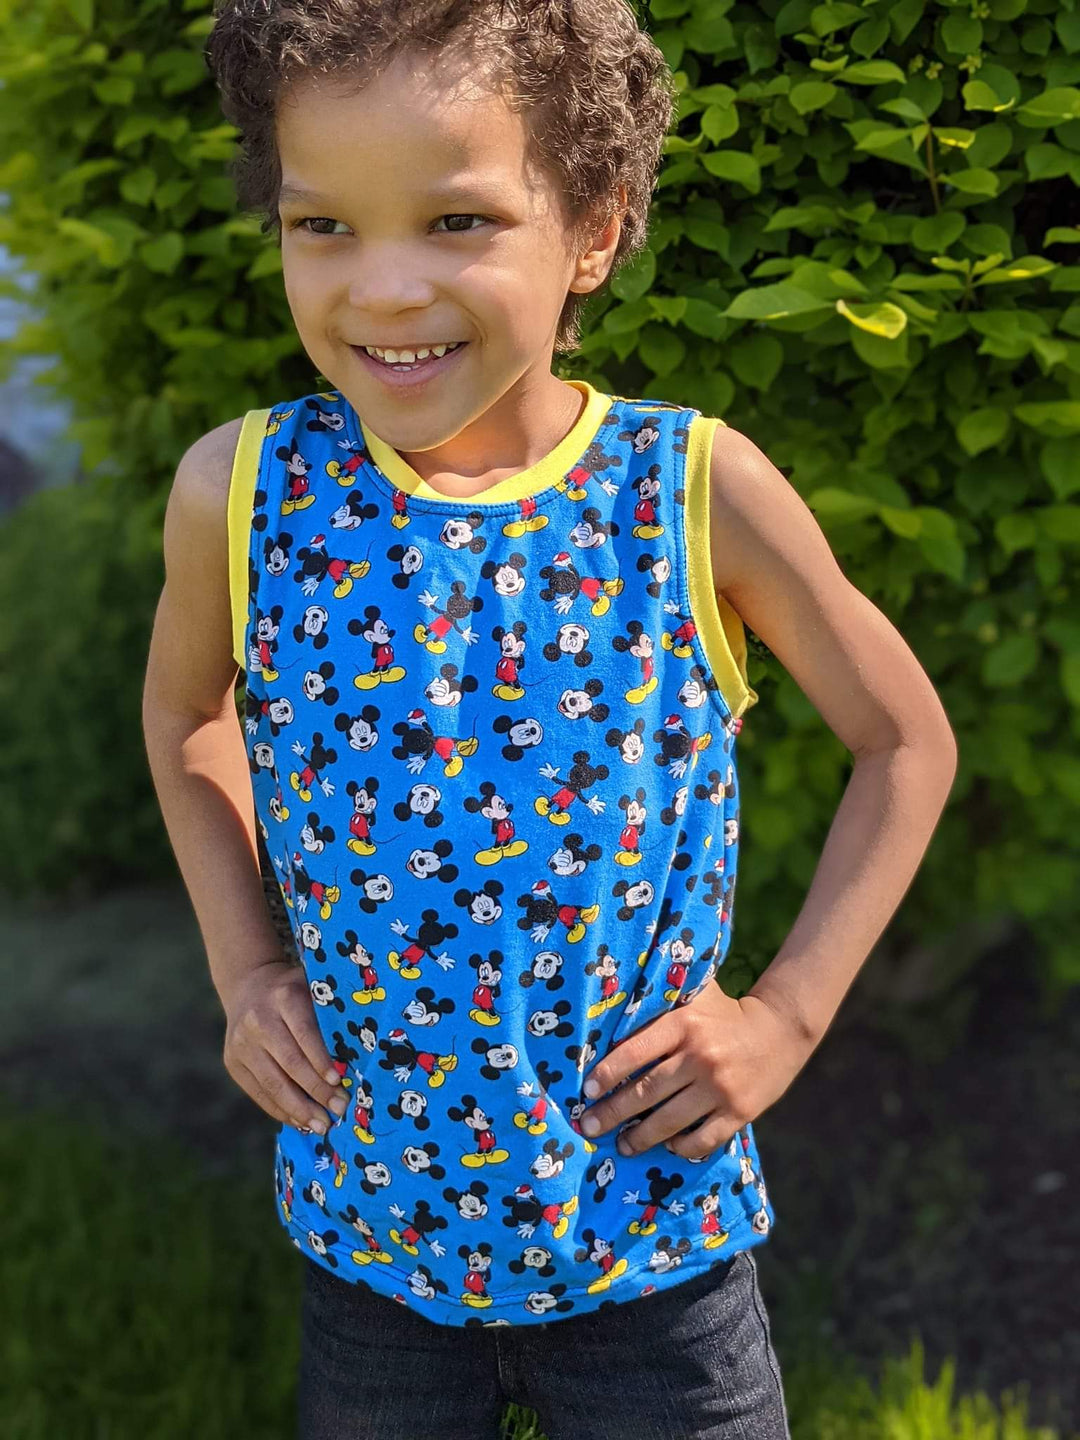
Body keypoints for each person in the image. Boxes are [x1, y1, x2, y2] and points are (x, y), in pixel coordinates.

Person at [142, 2, 958, 1436]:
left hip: (655, 1258)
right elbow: (185, 716)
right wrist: (246, 967)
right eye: (322, 225)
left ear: (593, 228)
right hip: (373, 1249)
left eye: (457, 221)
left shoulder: (687, 489)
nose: (383, 288)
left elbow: (905, 742)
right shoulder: (247, 492)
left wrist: (785, 1016)